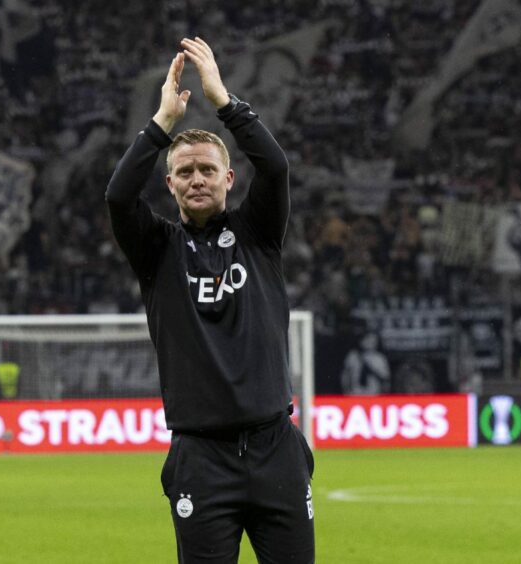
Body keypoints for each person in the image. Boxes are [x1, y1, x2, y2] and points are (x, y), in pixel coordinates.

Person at [105, 37, 315, 563]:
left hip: (275, 449)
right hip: (201, 457)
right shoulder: (156, 249)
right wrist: (160, 124)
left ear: (228, 178)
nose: (196, 179)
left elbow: (276, 168)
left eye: (206, 170)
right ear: (170, 184)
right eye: (184, 172)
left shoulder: (259, 234)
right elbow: (117, 196)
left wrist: (223, 101)